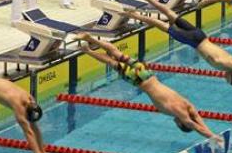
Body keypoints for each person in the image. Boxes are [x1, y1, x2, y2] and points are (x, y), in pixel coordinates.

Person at [125, 0, 232, 99]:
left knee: (171, 14)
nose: (225, 80)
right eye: (228, 81)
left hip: (202, 36)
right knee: (164, 26)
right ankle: (134, 15)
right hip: (194, 41)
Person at [78, 33, 217, 138]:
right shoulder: (178, 112)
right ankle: (88, 51)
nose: (176, 123)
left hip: (148, 73)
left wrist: (212, 132)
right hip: (139, 81)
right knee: (111, 62)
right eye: (179, 124)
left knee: (117, 53)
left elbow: (198, 119)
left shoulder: (187, 105)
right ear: (182, 123)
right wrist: (212, 137)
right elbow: (196, 126)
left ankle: (91, 39)